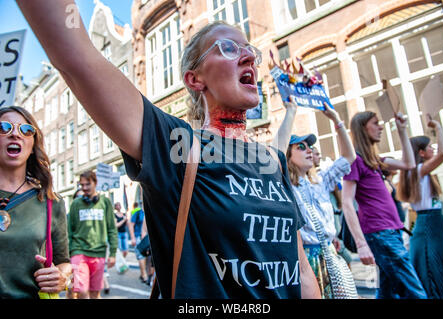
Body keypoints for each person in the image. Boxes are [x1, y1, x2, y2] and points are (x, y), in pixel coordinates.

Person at [17, 0, 321, 298]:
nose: (248, 58)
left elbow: (302, 270)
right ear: (194, 79)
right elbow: (76, 56)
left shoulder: (273, 161)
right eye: (229, 48)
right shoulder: (176, 146)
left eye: (250, 51)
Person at [341, 110, 427, 299]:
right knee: (415, 291)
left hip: (390, 231)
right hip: (380, 233)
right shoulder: (356, 161)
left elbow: (408, 163)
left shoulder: (376, 162)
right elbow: (346, 202)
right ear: (363, 128)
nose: (380, 127)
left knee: (388, 291)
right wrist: (361, 244)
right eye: (375, 123)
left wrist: (402, 130)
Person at [285, 103, 356, 298]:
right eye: (301, 147)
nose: (309, 150)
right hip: (306, 262)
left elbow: (349, 156)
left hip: (331, 254)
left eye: (310, 147)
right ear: (288, 156)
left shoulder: (321, 180)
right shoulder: (285, 187)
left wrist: (335, 119)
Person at [0, 106, 71, 299]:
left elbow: (63, 261)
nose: (15, 134)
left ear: (33, 145)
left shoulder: (51, 202)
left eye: (26, 130)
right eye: (4, 127)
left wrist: (62, 278)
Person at [397, 118, 443, 299]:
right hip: (428, 224)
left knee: (439, 266)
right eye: (429, 147)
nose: (433, 149)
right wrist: (438, 127)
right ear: (421, 152)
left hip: (433, 223)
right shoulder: (417, 170)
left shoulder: (421, 172)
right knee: (432, 269)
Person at [67, 170, 118, 299]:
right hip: (79, 252)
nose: (84, 188)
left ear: (95, 183)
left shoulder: (105, 203)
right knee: (82, 291)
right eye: (82, 185)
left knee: (95, 293)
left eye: (87, 184)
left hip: (99, 253)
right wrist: (67, 253)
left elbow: (112, 228)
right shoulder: (75, 204)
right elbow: (69, 230)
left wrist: (112, 253)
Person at [129, 202, 149, 284]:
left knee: (147, 257)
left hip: (147, 238)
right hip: (138, 237)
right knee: (141, 256)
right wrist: (133, 238)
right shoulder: (138, 213)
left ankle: (143, 274)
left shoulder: (149, 211)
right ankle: (144, 275)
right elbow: (130, 225)